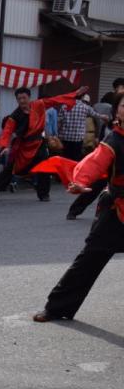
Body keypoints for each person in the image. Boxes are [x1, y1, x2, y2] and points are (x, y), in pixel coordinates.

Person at [33, 93, 124, 323]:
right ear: (117, 111)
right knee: (89, 259)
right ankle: (57, 308)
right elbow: (94, 162)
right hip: (117, 211)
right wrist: (81, 181)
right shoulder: (114, 140)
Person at [0, 85, 87, 202]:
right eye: (19, 99)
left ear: (29, 97)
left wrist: (75, 93)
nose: (22, 101)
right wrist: (2, 146)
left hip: (38, 144)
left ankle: (43, 194)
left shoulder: (39, 104)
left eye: (24, 98)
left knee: (44, 168)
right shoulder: (14, 116)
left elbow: (56, 99)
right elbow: (7, 132)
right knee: (9, 169)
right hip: (23, 146)